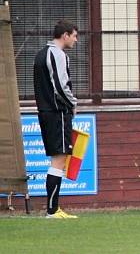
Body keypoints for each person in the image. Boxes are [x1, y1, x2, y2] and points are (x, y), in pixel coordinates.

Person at [33, 20, 79, 218]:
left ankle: (53, 209)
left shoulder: (40, 54)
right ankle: (52, 210)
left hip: (45, 112)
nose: (76, 40)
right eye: (74, 36)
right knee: (59, 160)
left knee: (56, 159)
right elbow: (60, 86)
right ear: (65, 35)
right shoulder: (58, 55)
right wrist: (73, 104)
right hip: (57, 112)